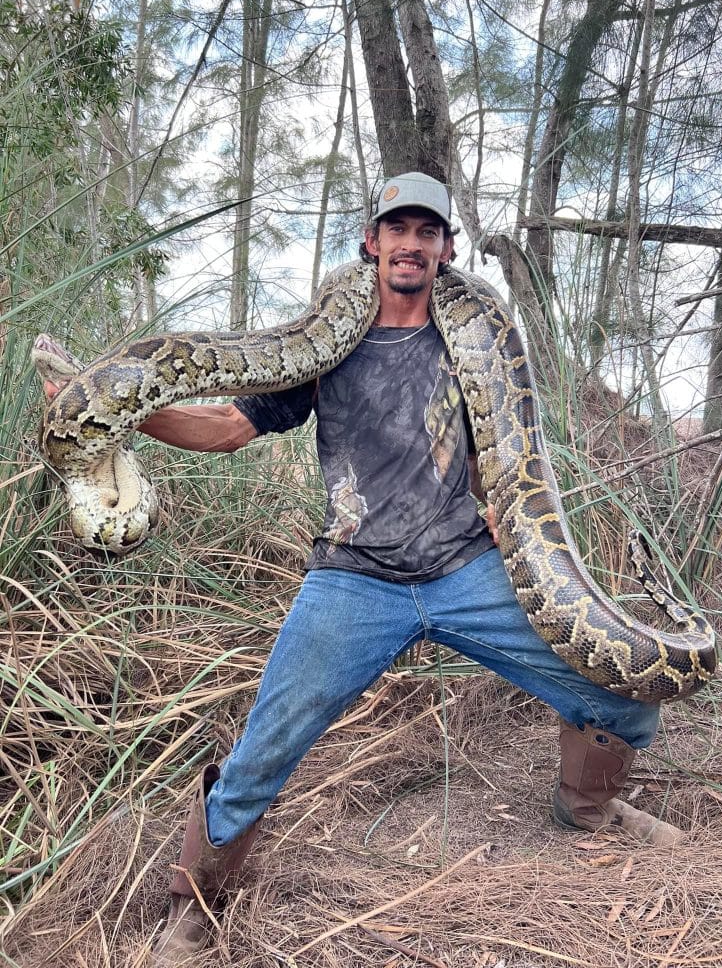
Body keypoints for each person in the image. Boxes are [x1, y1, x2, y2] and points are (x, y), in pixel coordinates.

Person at [45, 173, 681, 965]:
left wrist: (498, 508)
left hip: (463, 568)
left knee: (625, 691)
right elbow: (230, 428)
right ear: (371, 241)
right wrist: (120, 408)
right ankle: (196, 903)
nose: (411, 243)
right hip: (353, 578)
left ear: (446, 249)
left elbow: (500, 451)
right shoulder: (326, 342)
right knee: (262, 749)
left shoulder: (474, 336)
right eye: (397, 228)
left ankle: (587, 806)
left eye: (427, 231)